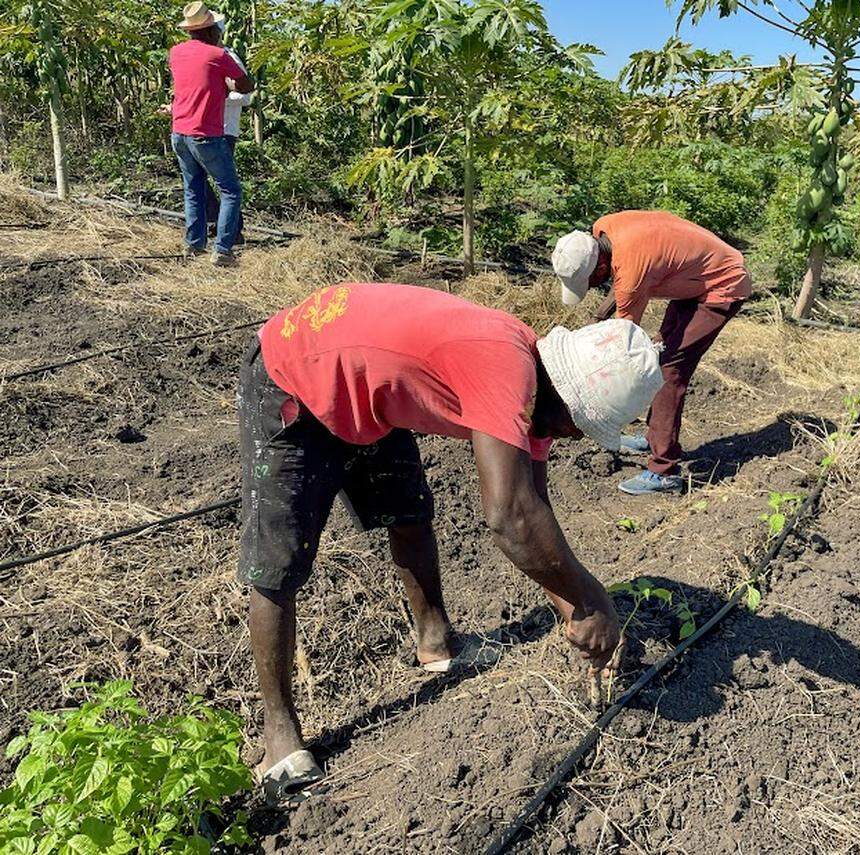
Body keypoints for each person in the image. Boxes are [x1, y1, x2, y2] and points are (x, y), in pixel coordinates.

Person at [240, 282, 663, 806]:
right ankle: (278, 733)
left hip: (367, 393)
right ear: (566, 397)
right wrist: (591, 600)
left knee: (411, 515)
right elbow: (509, 516)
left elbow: (535, 506)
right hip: (296, 376)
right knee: (280, 563)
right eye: (580, 427)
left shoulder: (542, 394)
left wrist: (571, 608)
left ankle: (436, 644)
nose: (575, 439)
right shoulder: (507, 372)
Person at [552, 211, 753, 495]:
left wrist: (591, 382)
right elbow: (621, 276)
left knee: (669, 371)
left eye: (590, 282)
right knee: (659, 358)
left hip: (721, 285)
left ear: (599, 268)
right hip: (693, 279)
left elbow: (622, 343)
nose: (595, 287)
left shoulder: (631, 269)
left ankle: (664, 470)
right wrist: (597, 320)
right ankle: (653, 437)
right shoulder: (604, 229)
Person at [168, 2, 253, 266]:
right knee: (231, 191)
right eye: (216, 27)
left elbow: (196, 83)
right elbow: (247, 84)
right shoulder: (218, 55)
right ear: (208, 30)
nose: (219, 32)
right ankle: (223, 250)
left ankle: (194, 245)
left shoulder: (176, 52)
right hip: (205, 133)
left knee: (193, 189)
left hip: (179, 131)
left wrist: (220, 88)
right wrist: (228, 85)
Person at [203, 21, 253, 245]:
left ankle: (233, 230)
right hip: (203, 128)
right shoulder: (203, 56)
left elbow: (245, 97)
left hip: (224, 130)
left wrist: (217, 98)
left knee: (225, 184)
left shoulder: (228, 57)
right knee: (200, 180)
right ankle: (220, 223)